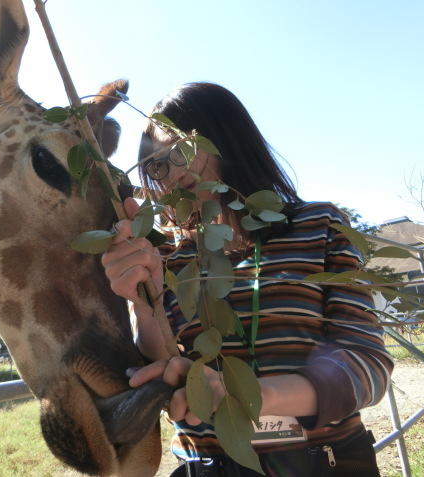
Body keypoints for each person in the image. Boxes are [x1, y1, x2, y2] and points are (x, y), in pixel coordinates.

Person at [101, 82, 394, 476]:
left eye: (180, 148)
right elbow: (165, 367)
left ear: (226, 134)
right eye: (156, 165)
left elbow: (367, 367)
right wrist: (144, 301)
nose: (170, 171)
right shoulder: (167, 259)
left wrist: (245, 394)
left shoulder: (318, 226)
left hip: (325, 461)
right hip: (206, 465)